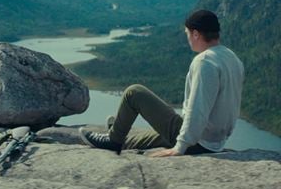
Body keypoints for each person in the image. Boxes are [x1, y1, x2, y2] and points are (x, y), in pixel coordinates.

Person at [79, 10, 244, 157]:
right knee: (147, 139)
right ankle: (119, 136)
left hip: (198, 142)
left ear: (195, 34)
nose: (187, 38)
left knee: (134, 92)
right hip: (214, 141)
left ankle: (113, 140)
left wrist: (180, 146)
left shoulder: (205, 61)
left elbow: (198, 109)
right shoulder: (232, 58)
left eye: (187, 33)